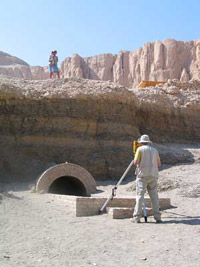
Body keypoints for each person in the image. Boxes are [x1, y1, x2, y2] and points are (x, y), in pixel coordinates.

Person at [133, 134, 162, 223]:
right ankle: (157, 217)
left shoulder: (139, 149)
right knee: (154, 197)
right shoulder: (155, 150)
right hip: (153, 175)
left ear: (141, 142)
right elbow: (159, 164)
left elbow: (135, 162)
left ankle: (137, 217)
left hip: (142, 176)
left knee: (140, 196)